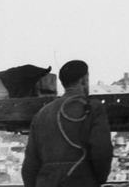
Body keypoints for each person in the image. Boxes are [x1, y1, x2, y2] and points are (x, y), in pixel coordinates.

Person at [21, 59, 112, 187]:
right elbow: (101, 150)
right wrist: (100, 179)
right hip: (81, 181)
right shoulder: (93, 108)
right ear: (84, 80)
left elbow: (30, 163)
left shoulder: (42, 113)